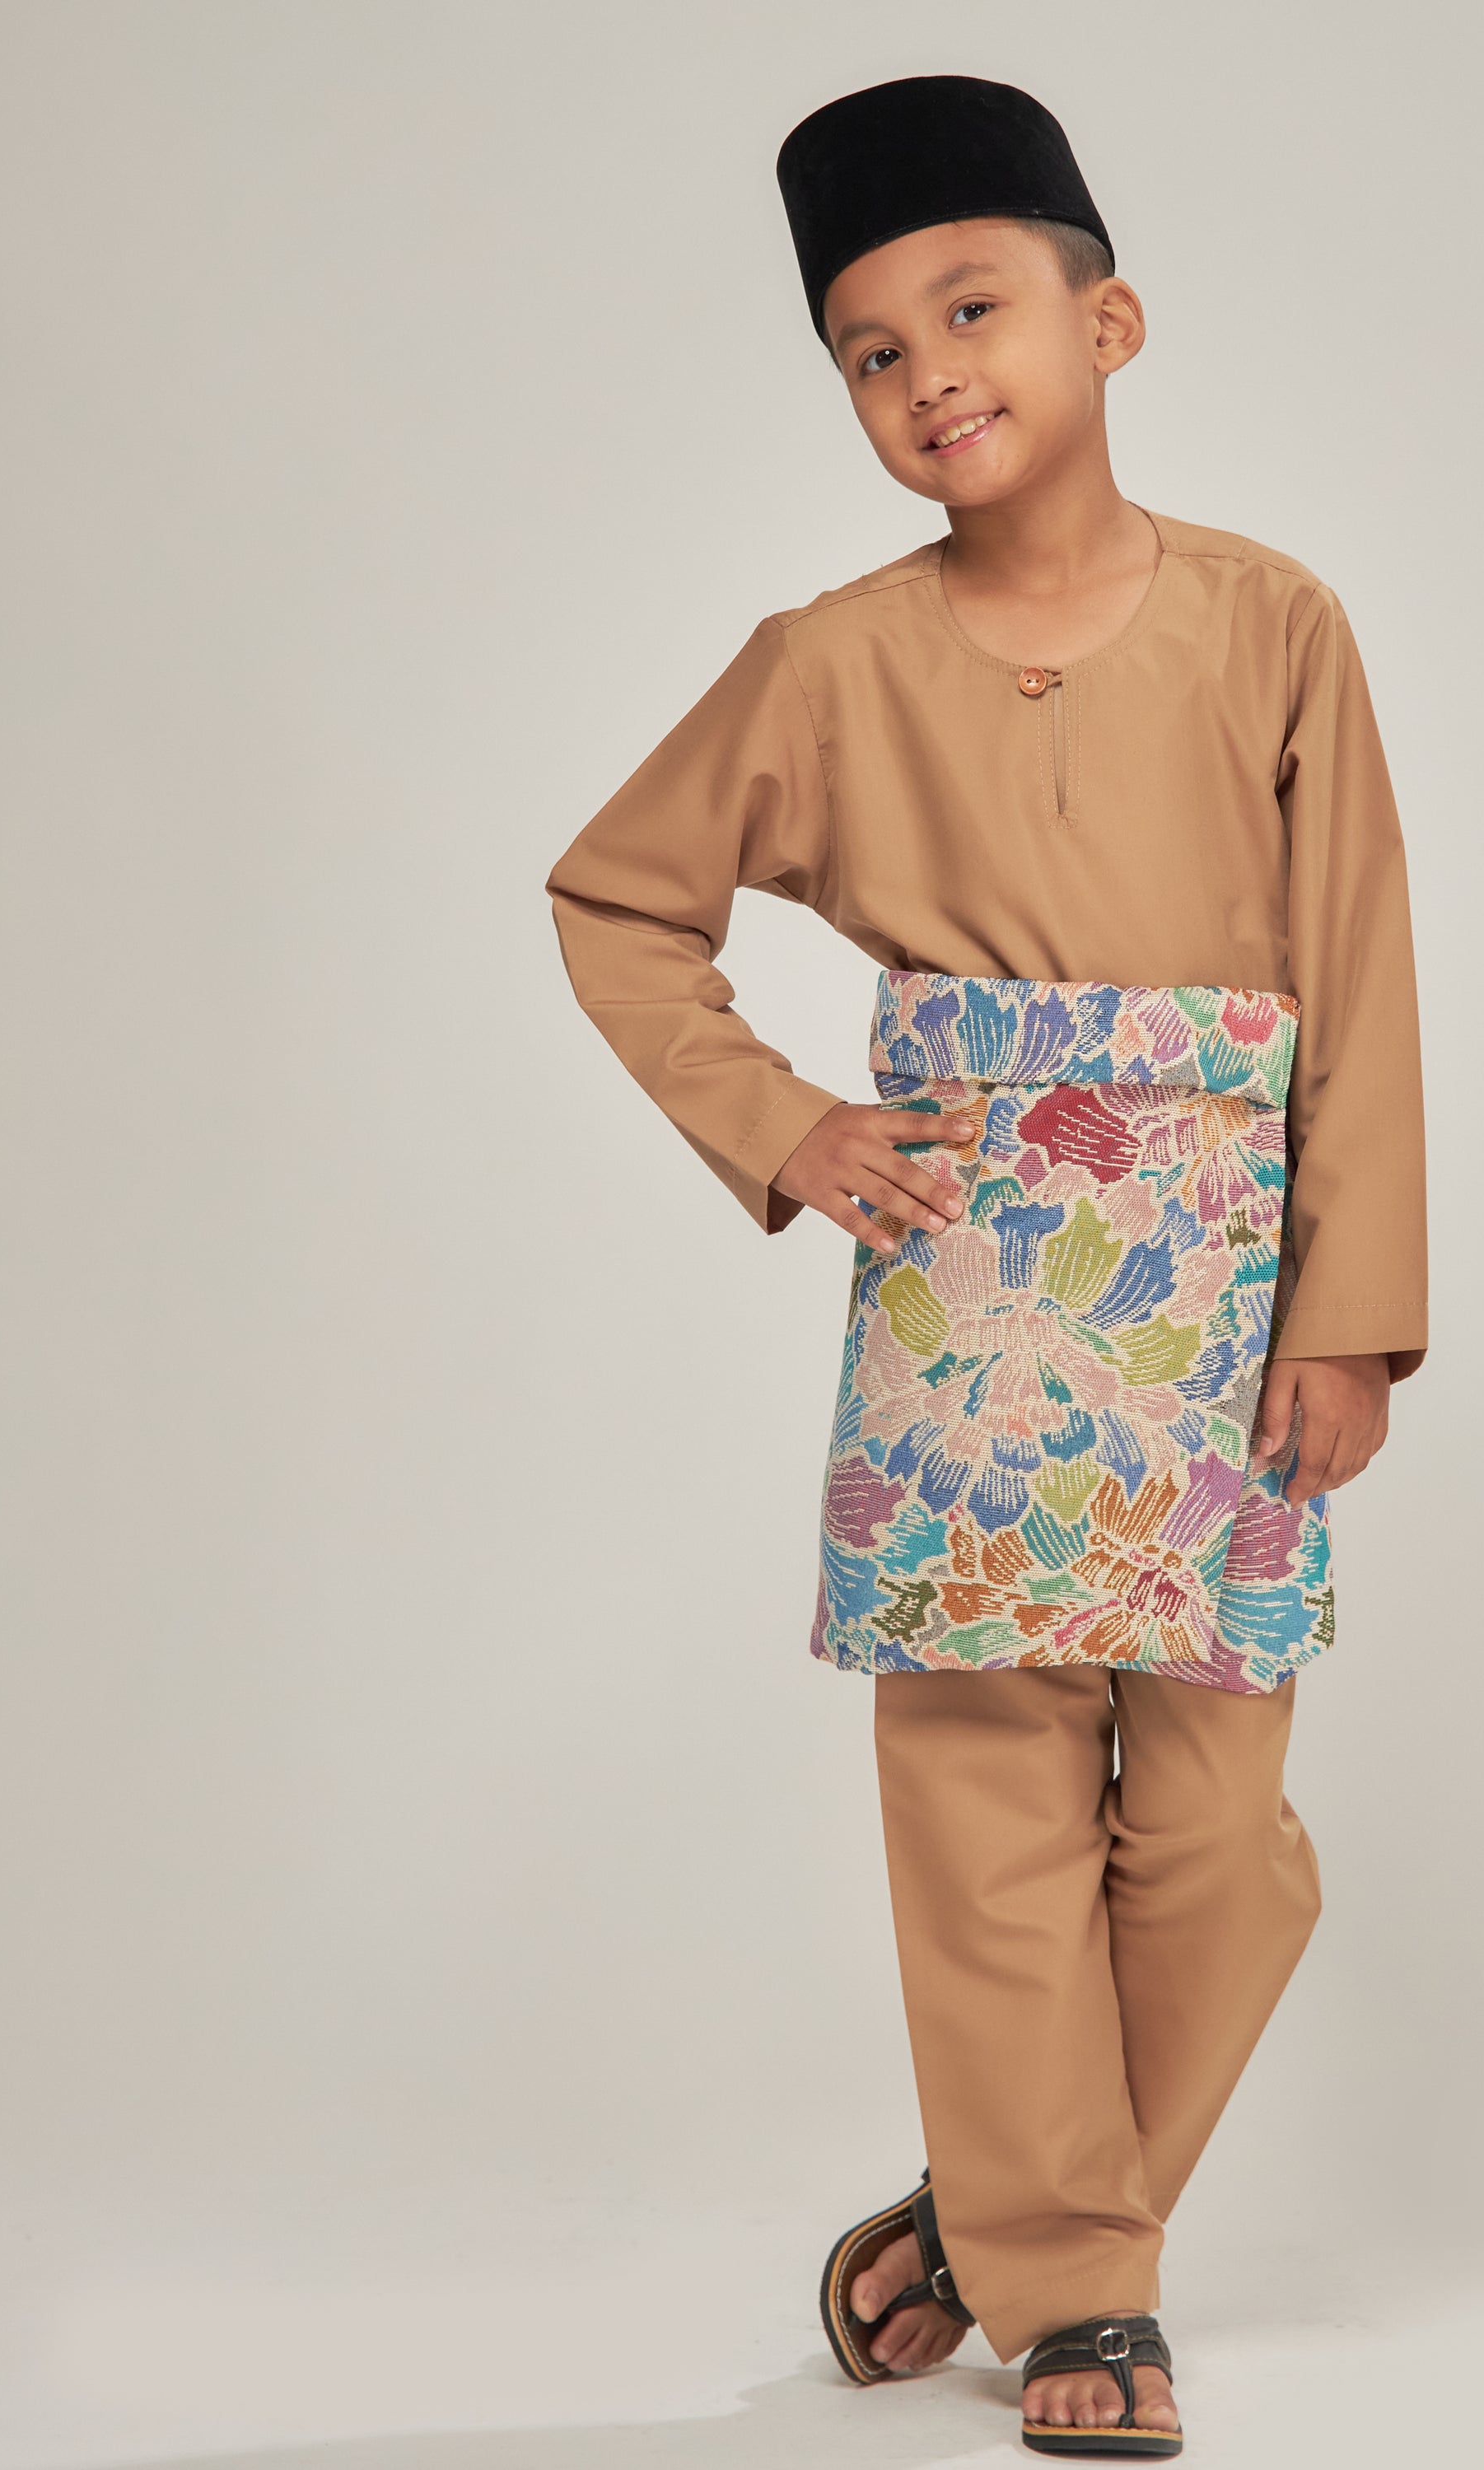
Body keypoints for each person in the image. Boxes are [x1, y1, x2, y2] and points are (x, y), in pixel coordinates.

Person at [543, 72, 1427, 2460]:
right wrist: (789, 1125)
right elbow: (617, 900)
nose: (927, 371)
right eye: (869, 350)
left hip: (1222, 1286)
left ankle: (990, 2215)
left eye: (969, 309)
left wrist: (1351, 1307)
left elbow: (1358, 967)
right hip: (970, 1292)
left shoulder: (1272, 623)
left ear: (1105, 322)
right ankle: (1080, 2301)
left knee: (1222, 1844)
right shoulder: (826, 665)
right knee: (988, 1816)